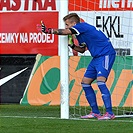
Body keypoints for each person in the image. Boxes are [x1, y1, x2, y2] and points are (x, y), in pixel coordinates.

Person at [37, 13, 116, 120]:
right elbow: (83, 49)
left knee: (101, 81)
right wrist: (73, 46)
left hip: (106, 54)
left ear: (74, 23)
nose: (66, 27)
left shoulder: (81, 26)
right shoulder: (80, 34)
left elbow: (65, 32)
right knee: (85, 82)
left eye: (67, 24)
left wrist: (48, 31)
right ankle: (95, 112)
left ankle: (109, 113)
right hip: (96, 57)